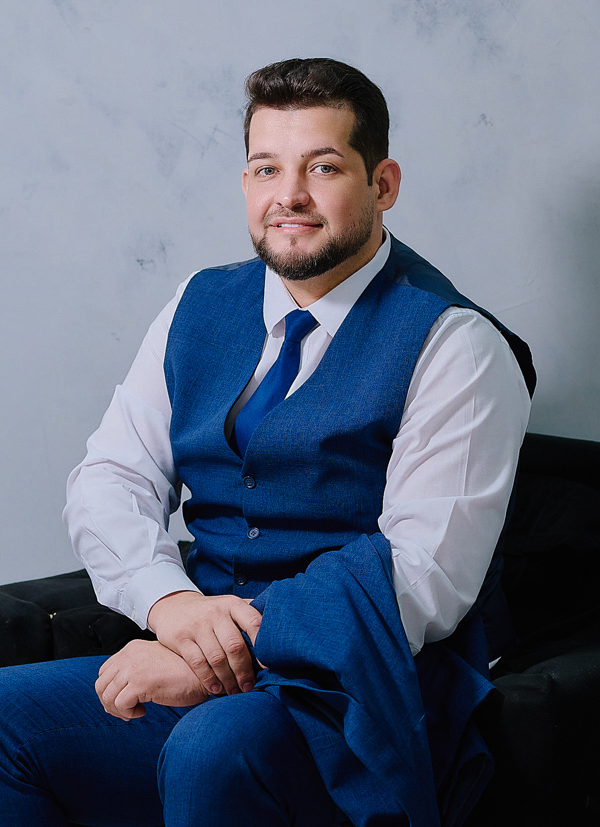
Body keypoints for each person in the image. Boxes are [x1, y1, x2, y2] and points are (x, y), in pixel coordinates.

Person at [0, 58, 534, 827]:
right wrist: (172, 604)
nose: (288, 196)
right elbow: (110, 477)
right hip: (203, 641)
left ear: (382, 185)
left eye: (322, 167)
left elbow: (426, 576)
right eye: (264, 168)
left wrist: (220, 653)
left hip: (364, 680)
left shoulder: (455, 342)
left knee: (218, 745)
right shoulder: (199, 301)